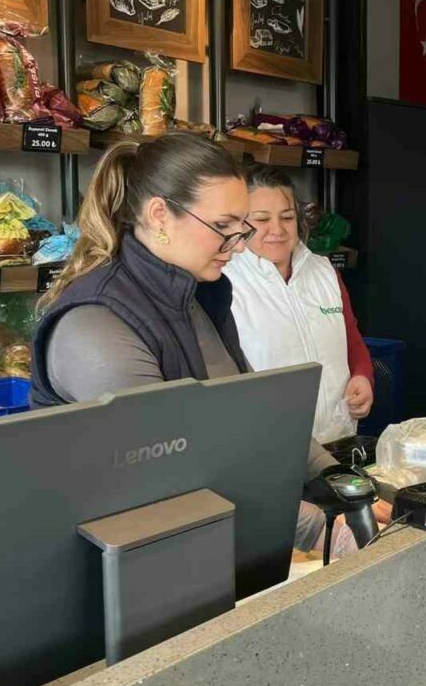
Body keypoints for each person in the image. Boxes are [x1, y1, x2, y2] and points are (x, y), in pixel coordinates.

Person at [30, 134, 354, 557]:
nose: (239, 246)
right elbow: (171, 473)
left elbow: (252, 409)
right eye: (223, 227)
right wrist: (320, 529)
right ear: (160, 216)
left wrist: (341, 483)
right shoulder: (94, 325)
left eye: (241, 228)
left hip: (191, 545)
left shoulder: (196, 297)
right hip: (114, 566)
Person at [226, 166, 375, 444]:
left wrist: (362, 376)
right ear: (240, 224)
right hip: (270, 445)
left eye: (287, 217)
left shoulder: (324, 271)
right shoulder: (225, 283)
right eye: (262, 219)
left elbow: (351, 340)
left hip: (338, 437)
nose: (277, 230)